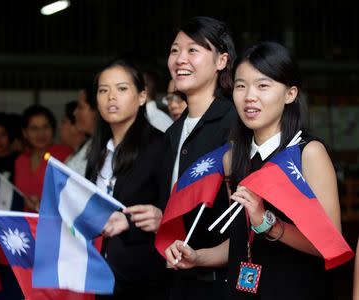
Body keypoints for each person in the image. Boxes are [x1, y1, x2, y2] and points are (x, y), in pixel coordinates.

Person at [165, 42, 343, 299]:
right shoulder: (232, 157)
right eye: (241, 86)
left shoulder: (308, 154)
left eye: (263, 85)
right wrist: (197, 256)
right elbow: (240, 241)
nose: (249, 96)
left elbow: (331, 242)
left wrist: (268, 223)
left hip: (297, 289)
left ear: (290, 94)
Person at [159, 16, 237, 299]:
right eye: (174, 50)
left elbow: (243, 220)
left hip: (222, 284)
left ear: (221, 61)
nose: (180, 59)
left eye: (193, 50)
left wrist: (203, 256)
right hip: (179, 282)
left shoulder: (235, 124)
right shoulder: (172, 133)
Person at [85, 59, 167, 299]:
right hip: (100, 276)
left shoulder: (159, 146)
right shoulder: (99, 152)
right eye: (103, 90)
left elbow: (169, 212)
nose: (111, 97)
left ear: (142, 97)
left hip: (142, 279)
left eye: (121, 89)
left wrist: (131, 223)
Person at [14, 104, 73, 212]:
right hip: (25, 224)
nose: (41, 134)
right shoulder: (20, 160)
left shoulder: (65, 154)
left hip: (55, 223)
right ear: (24, 133)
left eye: (45, 127)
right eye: (34, 128)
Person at [65, 86, 97, 176]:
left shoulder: (110, 149)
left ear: (96, 110)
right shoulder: (87, 145)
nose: (75, 113)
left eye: (80, 107)